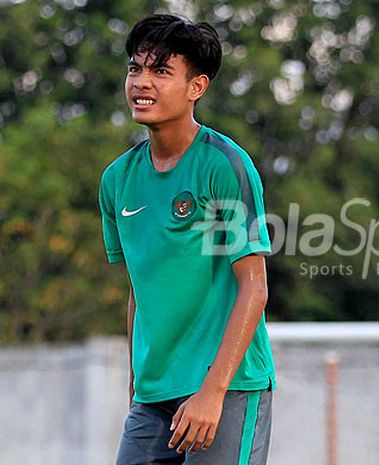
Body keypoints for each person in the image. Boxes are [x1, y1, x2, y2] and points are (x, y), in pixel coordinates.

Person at [99, 14, 275, 465]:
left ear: (196, 87)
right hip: (153, 396)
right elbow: (140, 291)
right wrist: (136, 386)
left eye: (161, 71)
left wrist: (212, 393)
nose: (142, 82)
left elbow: (254, 288)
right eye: (135, 68)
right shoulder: (117, 179)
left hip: (226, 388)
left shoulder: (223, 165)